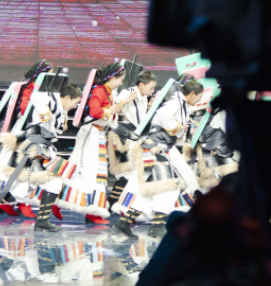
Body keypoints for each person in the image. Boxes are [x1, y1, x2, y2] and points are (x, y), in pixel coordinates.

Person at [0, 84, 82, 231]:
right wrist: (44, 112)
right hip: (34, 149)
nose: (75, 106)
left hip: (44, 149)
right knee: (39, 186)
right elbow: (36, 96)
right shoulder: (51, 99)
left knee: (33, 188)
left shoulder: (62, 109)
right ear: (67, 97)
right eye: (75, 103)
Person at [112, 80, 203, 239]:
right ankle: (155, 227)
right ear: (193, 94)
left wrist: (178, 128)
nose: (199, 100)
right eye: (199, 97)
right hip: (155, 150)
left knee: (152, 190)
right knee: (170, 187)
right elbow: (163, 116)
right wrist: (179, 126)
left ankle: (124, 223)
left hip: (154, 149)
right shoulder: (176, 103)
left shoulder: (180, 103)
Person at [57, 63, 126, 224]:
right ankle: (87, 209)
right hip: (91, 133)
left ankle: (87, 208)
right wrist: (111, 111)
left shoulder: (107, 91)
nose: (121, 83)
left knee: (90, 172)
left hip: (97, 134)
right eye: (120, 79)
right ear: (112, 77)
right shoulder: (100, 90)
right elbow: (95, 111)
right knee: (87, 172)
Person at [107, 70, 157, 209]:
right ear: (141, 85)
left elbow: (139, 119)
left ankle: (114, 203)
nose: (152, 91)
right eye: (151, 88)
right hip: (122, 134)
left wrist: (149, 108)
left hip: (133, 136)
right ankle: (115, 203)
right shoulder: (128, 92)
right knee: (130, 171)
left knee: (131, 171)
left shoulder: (143, 97)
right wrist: (129, 98)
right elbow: (112, 108)